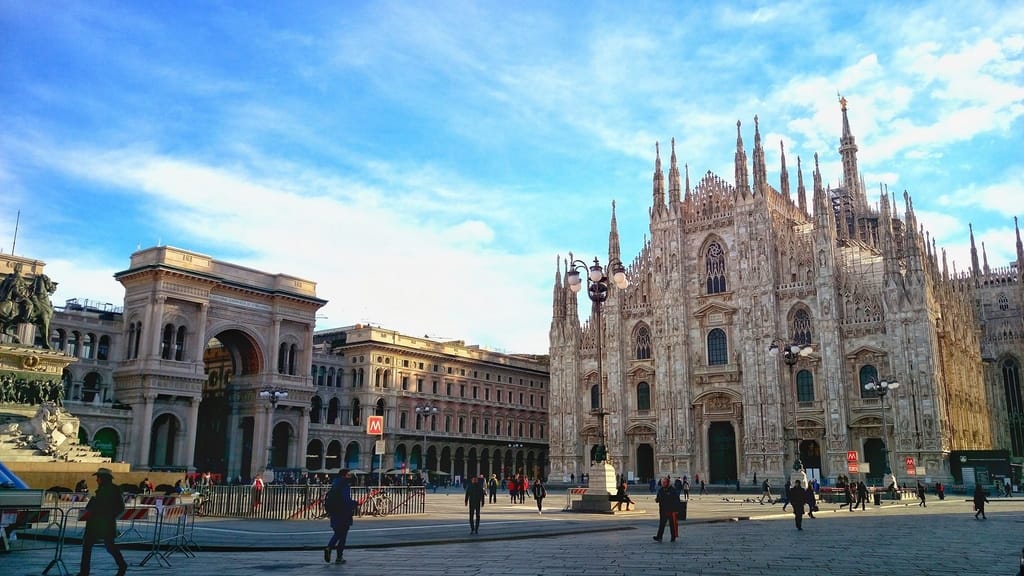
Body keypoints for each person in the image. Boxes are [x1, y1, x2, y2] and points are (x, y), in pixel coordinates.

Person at [78, 467, 128, 576]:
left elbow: (120, 507)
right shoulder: (102, 490)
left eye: (98, 477)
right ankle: (84, 572)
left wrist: (108, 514)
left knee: (107, 546)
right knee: (91, 546)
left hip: (103, 523)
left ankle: (122, 565)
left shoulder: (112, 490)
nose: (96, 480)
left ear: (104, 478)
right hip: (97, 523)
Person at [323, 469, 357, 564]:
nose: (350, 477)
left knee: (338, 532)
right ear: (343, 476)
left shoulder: (335, 484)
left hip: (334, 512)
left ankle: (330, 548)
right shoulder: (344, 485)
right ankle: (337, 556)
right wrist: (355, 503)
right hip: (343, 513)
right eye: (348, 475)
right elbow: (346, 500)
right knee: (342, 536)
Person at [653, 477, 680, 542]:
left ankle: (673, 537)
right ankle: (659, 537)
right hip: (663, 509)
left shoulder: (673, 490)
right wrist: (657, 500)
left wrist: (676, 510)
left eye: (664, 482)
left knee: (672, 524)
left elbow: (677, 500)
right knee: (662, 524)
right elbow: (658, 498)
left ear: (668, 483)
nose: (663, 483)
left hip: (671, 510)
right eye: (662, 482)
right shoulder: (661, 490)